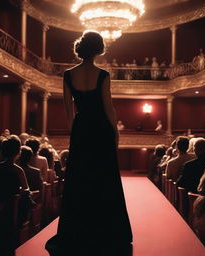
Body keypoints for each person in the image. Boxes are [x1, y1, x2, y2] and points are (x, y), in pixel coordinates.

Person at [45, 30, 132, 256]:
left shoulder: (67, 74)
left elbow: (68, 111)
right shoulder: (102, 74)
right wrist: (115, 133)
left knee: (80, 181)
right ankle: (106, 231)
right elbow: (108, 108)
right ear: (99, 49)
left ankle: (77, 231)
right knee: (104, 179)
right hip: (101, 130)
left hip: (81, 130)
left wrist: (76, 134)